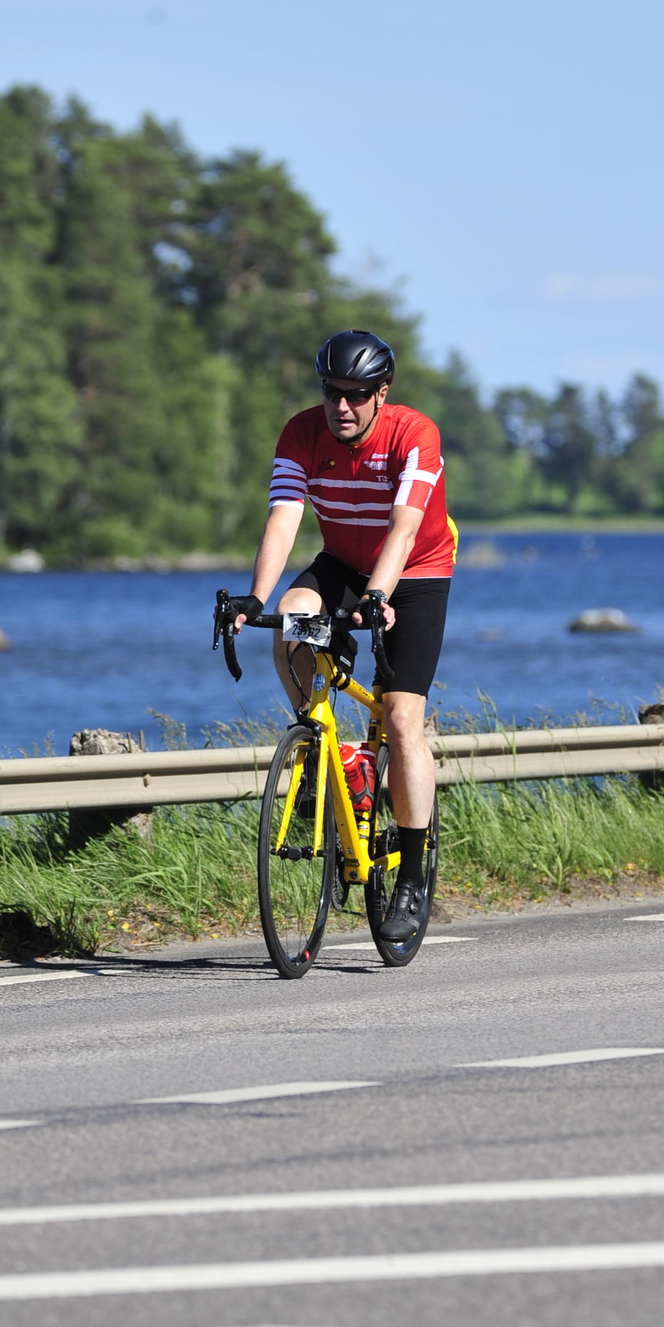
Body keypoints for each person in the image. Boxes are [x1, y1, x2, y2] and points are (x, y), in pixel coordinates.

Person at [226, 330, 456, 942]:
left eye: (356, 395)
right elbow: (284, 518)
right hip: (343, 565)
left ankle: (411, 877)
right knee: (291, 619)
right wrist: (255, 598)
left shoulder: (414, 434)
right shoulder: (302, 433)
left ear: (382, 393)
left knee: (402, 719)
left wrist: (378, 597)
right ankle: (321, 752)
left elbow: (404, 530)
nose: (342, 407)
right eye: (332, 393)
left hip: (416, 573)